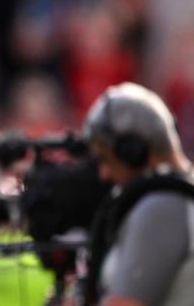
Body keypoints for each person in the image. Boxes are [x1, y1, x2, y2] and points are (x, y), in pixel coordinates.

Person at [83, 82, 194, 306]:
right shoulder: (177, 195)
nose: (103, 174)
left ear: (134, 152)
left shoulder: (162, 206)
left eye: (105, 159)